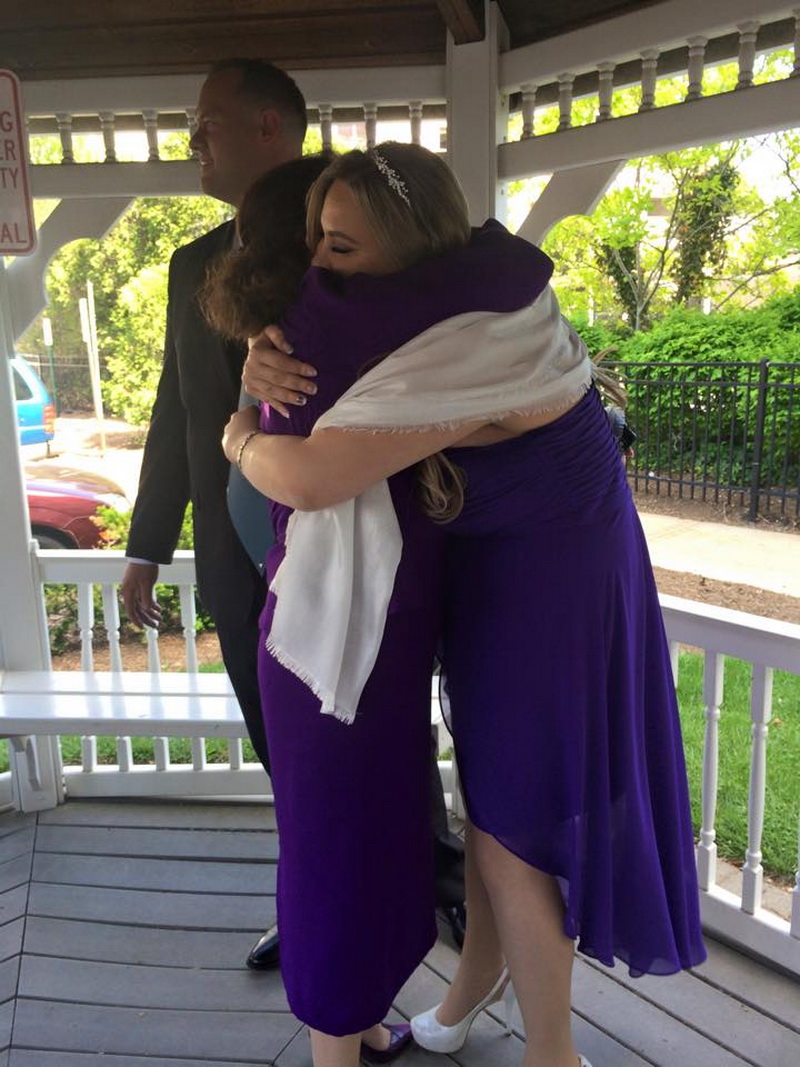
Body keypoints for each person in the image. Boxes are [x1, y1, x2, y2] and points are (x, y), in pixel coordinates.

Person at [224, 143, 706, 1067]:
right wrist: (261, 358)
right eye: (317, 241)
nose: (319, 268)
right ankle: (463, 998)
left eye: (341, 247)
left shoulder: (471, 337)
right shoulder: (432, 312)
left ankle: (554, 1052)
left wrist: (239, 433)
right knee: (490, 806)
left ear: (414, 250)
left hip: (553, 586)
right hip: (497, 572)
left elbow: (314, 475)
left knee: (514, 824)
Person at [120, 58, 306, 970]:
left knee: (368, 723)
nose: (191, 140)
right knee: (277, 737)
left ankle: (425, 878)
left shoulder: (345, 245)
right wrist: (146, 546)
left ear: (270, 126)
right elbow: (177, 410)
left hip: (334, 542)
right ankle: (312, 899)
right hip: (232, 558)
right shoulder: (191, 265)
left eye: (207, 122)